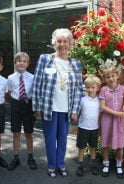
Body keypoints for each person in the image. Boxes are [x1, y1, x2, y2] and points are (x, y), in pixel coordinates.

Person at [32, 28, 82, 178]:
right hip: (49, 107)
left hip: (66, 108)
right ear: (54, 43)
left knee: (63, 138)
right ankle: (52, 165)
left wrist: (75, 110)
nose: (62, 44)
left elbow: (79, 89)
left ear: (70, 44)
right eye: (59, 41)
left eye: (65, 41)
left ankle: (61, 164)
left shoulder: (75, 63)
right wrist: (37, 106)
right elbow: (37, 83)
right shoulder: (45, 59)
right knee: (49, 138)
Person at [7, 52, 37, 171]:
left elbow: (34, 93)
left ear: (28, 64)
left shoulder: (32, 77)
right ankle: (16, 157)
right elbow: (8, 93)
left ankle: (30, 157)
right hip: (15, 105)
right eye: (19, 61)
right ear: (15, 63)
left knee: (29, 133)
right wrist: (15, 102)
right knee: (16, 133)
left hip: (28, 105)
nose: (21, 63)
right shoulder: (10, 78)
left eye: (24, 61)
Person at [99, 66, 124, 179]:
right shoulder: (103, 90)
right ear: (105, 79)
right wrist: (117, 113)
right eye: (108, 77)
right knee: (105, 143)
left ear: (117, 76)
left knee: (120, 144)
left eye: (113, 76)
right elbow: (102, 107)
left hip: (119, 122)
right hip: (107, 120)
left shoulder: (123, 89)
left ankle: (119, 165)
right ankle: (106, 164)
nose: (111, 79)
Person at [76, 75, 101, 177]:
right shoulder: (83, 100)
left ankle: (93, 163)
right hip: (83, 127)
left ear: (97, 88)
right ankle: (80, 164)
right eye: (88, 87)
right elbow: (78, 112)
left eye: (93, 87)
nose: (90, 90)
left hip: (94, 128)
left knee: (93, 147)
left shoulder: (100, 101)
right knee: (81, 147)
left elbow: (101, 114)